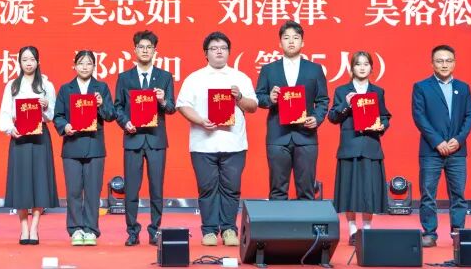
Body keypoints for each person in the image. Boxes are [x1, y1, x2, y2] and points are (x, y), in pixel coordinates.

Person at [176, 31, 258, 247]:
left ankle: (229, 229)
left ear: (229, 52)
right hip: (203, 144)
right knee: (207, 188)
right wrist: (201, 121)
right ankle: (210, 230)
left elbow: (253, 106)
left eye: (223, 48)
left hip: (234, 143)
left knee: (231, 188)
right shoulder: (195, 78)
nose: (219, 51)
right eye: (214, 48)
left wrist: (239, 97)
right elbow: (182, 105)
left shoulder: (241, 78)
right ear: (206, 53)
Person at [113, 30, 176, 246]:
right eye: (141, 47)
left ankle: (154, 230)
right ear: (135, 50)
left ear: (155, 51)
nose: (145, 51)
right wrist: (125, 122)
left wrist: (163, 100)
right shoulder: (125, 78)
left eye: (149, 47)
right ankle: (132, 231)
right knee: (131, 188)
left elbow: (171, 108)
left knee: (156, 189)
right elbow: (117, 107)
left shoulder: (165, 77)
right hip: (133, 138)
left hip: (156, 140)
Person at [255, 20, 329, 200]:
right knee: (277, 191)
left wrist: (317, 118)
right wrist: (270, 99)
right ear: (280, 43)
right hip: (278, 136)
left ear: (302, 42)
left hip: (306, 136)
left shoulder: (315, 69)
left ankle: (306, 220)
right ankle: (278, 220)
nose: (291, 41)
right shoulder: (268, 70)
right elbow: (258, 97)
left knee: (306, 191)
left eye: (295, 38)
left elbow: (322, 100)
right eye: (286, 38)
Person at [412, 44, 471, 248]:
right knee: (428, 194)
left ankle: (458, 233)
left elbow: (469, 115)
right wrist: (437, 141)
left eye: (448, 60)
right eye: (439, 61)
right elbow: (419, 116)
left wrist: (459, 139)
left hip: (457, 150)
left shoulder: (463, 88)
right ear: (432, 64)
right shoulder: (421, 87)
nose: (444, 64)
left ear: (454, 63)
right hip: (431, 151)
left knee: (458, 194)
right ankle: (430, 233)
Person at [328, 51, 391, 245]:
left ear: (371, 68)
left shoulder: (377, 91)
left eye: (366, 64)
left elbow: (385, 116)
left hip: (371, 145)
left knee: (369, 192)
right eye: (358, 64)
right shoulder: (342, 91)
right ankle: (353, 230)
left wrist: (382, 125)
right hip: (350, 146)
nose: (362, 67)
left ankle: (367, 230)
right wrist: (346, 104)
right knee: (349, 191)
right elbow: (333, 117)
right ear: (351, 68)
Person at [54, 50, 115, 246]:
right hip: (72, 146)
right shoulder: (66, 89)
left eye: (89, 63)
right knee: (73, 191)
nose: (85, 67)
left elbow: (110, 115)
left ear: (94, 66)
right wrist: (65, 126)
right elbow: (58, 116)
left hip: (94, 146)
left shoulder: (101, 88)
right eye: (81, 63)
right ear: (74, 66)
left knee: (92, 191)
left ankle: (90, 230)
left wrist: (101, 104)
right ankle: (75, 229)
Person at [0, 46, 59, 245]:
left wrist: (46, 106)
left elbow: (52, 115)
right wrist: (10, 128)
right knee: (21, 182)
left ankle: (34, 228)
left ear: (38, 62)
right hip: (20, 137)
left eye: (32, 59)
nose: (28, 63)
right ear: (19, 62)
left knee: (40, 181)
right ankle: (24, 227)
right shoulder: (12, 86)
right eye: (24, 59)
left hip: (40, 137)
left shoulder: (46, 85)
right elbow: (5, 113)